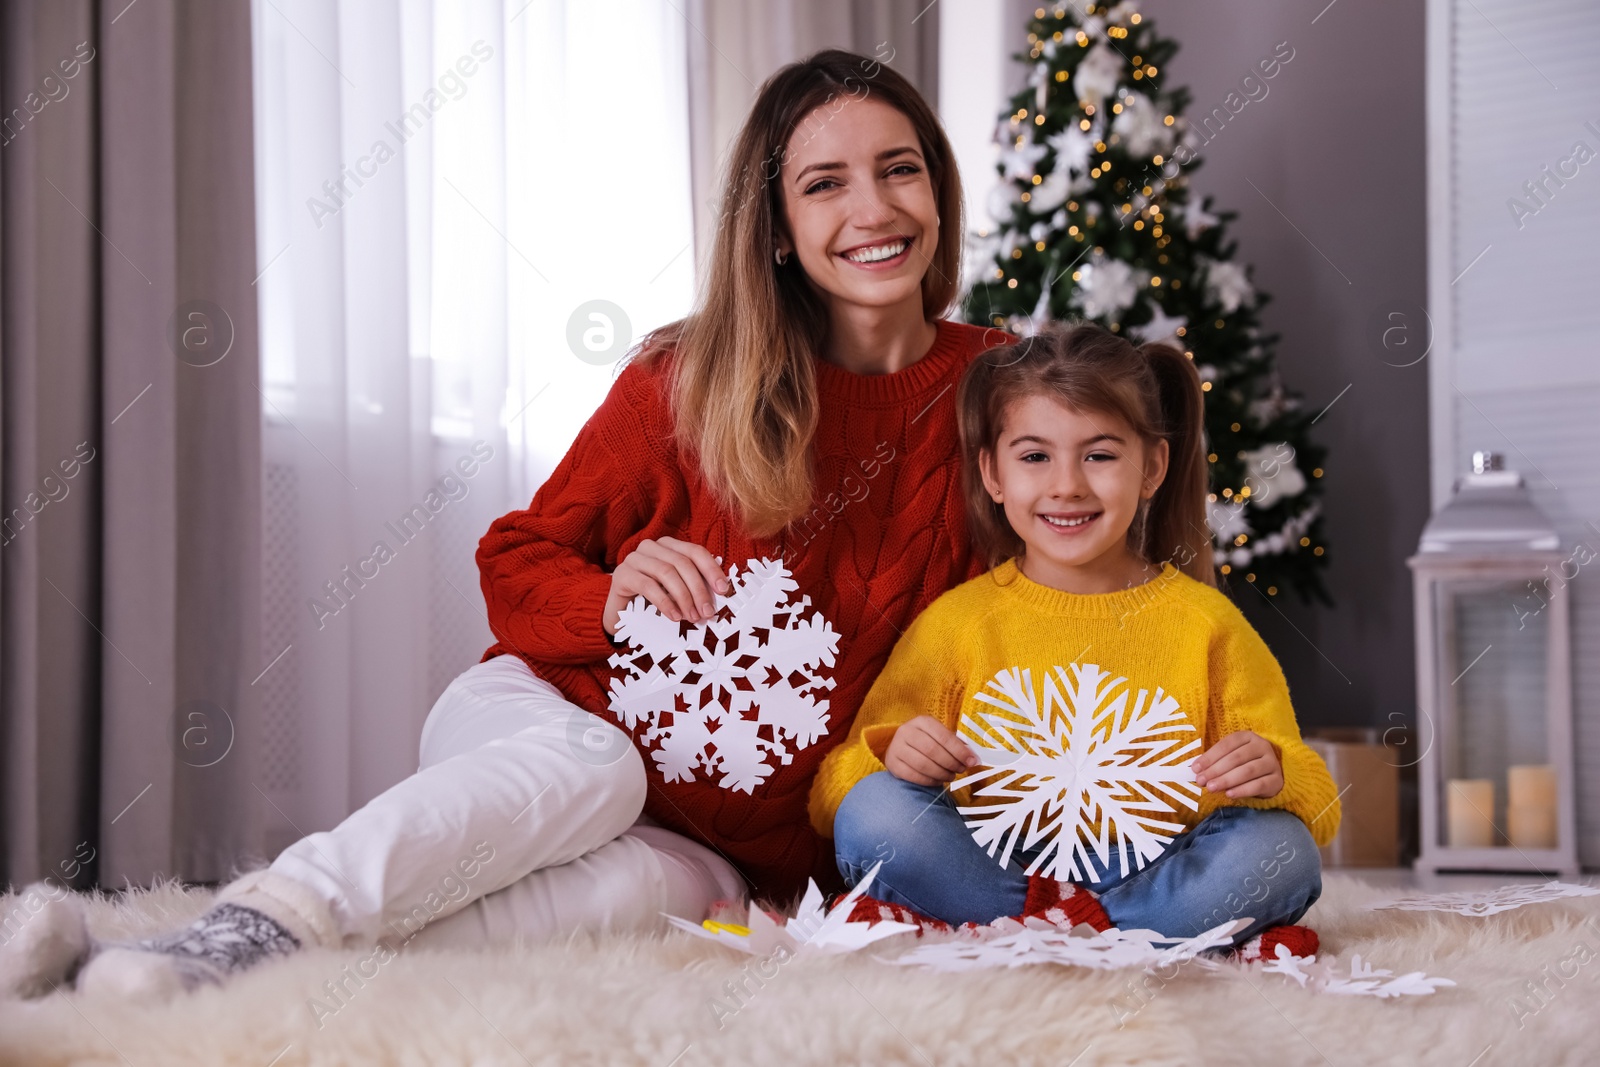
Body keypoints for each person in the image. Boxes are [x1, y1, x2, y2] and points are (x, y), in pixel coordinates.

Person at [0, 49, 1015, 1001]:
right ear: (778, 228)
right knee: (602, 771)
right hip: (550, 717)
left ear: (940, 190)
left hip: (720, 845)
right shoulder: (688, 377)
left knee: (621, 902)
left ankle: (176, 963)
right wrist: (611, 596)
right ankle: (271, 911)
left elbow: (1042, 608)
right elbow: (514, 555)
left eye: (900, 170)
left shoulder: (1000, 397)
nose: (874, 208)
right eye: (825, 182)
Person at [812, 321, 1341, 957]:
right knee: (873, 814)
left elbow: (1316, 802)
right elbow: (837, 791)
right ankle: (1109, 934)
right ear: (994, 474)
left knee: (1281, 851)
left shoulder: (1207, 625)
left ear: (1152, 468)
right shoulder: (957, 625)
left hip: (1165, 866)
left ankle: (1057, 934)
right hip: (993, 867)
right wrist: (891, 752)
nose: (1067, 484)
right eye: (1035, 457)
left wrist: (1275, 770)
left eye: (1100, 455)